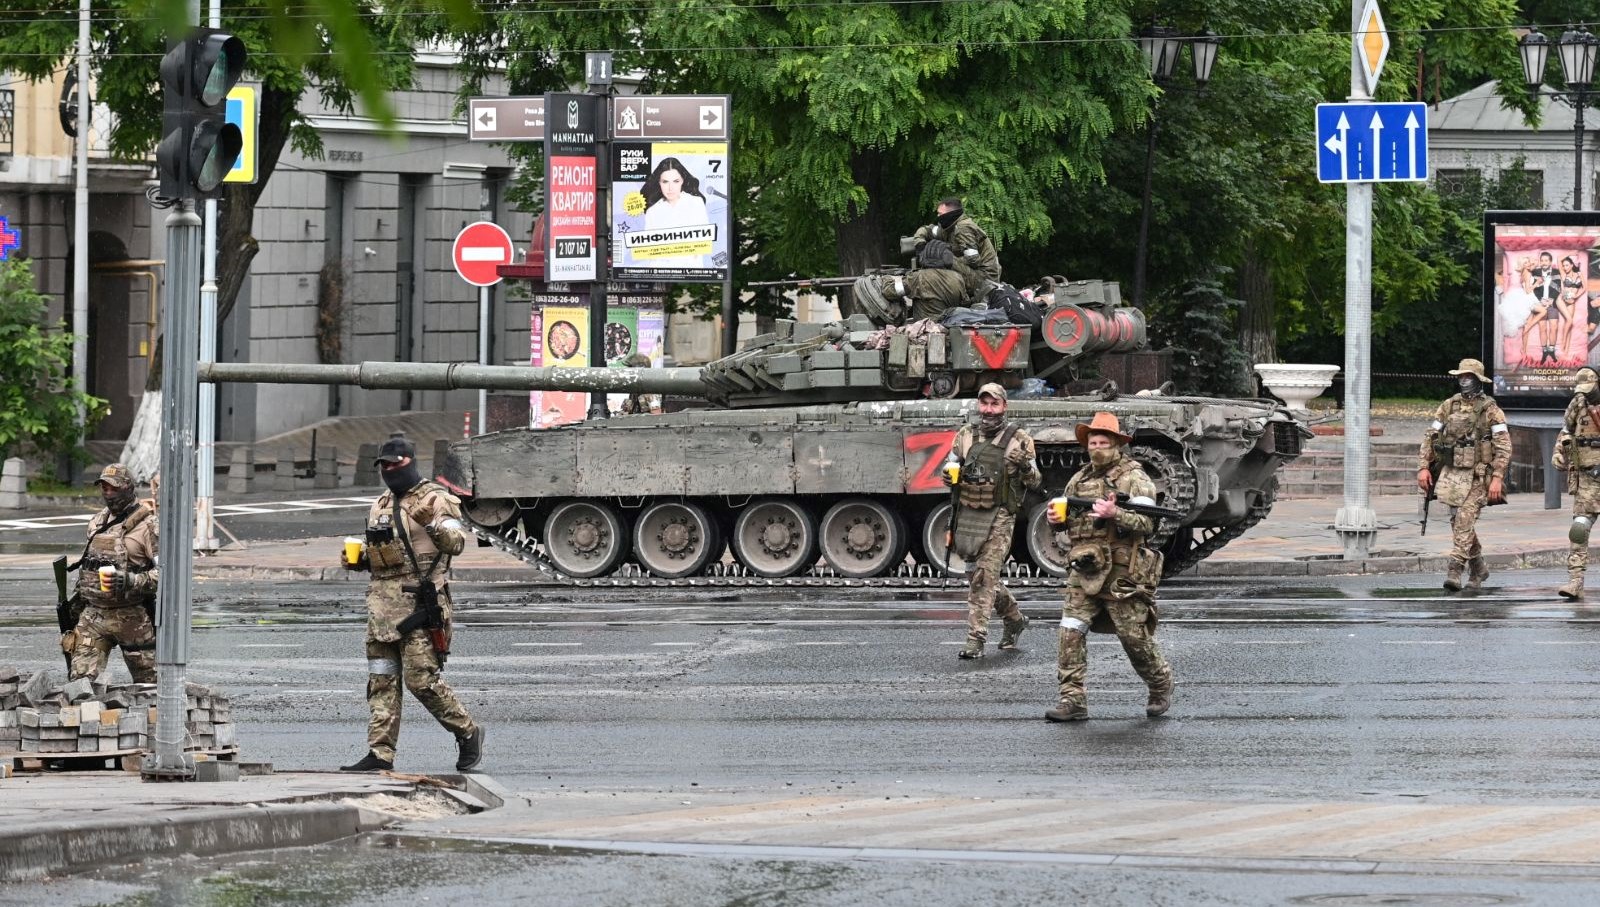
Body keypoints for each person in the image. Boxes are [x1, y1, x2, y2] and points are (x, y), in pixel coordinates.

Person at [340, 435, 485, 773]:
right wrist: (358, 559)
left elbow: (457, 543)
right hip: (381, 613)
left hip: (420, 606)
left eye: (395, 463)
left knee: (422, 681)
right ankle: (380, 754)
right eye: (384, 465)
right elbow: (381, 556)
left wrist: (431, 522)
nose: (389, 470)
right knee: (382, 682)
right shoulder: (380, 504)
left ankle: (467, 731)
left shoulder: (436, 499)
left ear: (409, 461)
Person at [1044, 413, 1173, 721]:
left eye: (1103, 442)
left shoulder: (1135, 477)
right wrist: (1058, 521)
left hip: (1121, 571)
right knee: (1070, 631)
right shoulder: (1080, 479)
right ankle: (1072, 699)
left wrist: (1117, 513)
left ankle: (1160, 682)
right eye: (1092, 442)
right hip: (1085, 567)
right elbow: (1073, 524)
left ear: (1117, 445)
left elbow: (1150, 524)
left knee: (1132, 637)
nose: (1097, 447)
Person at [942, 383, 1041, 659]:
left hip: (1000, 516)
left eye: (994, 404)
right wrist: (948, 474)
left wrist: (1023, 464)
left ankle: (976, 640)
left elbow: (1036, 481)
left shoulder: (1019, 439)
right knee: (977, 575)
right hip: (969, 514)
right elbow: (950, 465)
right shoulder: (965, 435)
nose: (988, 410)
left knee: (984, 577)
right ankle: (1015, 618)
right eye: (984, 403)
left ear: (1004, 406)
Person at [1417, 359, 1511, 592]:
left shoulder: (1491, 410)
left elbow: (1504, 446)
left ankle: (1455, 570)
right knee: (1457, 523)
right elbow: (1431, 436)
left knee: (1463, 521)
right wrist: (1423, 467)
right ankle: (1479, 568)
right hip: (1452, 475)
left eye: (1468, 376)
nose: (1463, 380)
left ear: (1478, 380)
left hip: (1479, 475)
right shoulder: (1448, 406)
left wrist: (1498, 477)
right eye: (1461, 376)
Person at [66, 464, 158, 683]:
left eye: (113, 488)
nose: (108, 493)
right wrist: (75, 606)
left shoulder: (149, 526)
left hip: (132, 616)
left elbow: (167, 576)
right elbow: (88, 567)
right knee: (80, 685)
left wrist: (130, 580)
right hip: (94, 615)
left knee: (150, 685)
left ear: (129, 487)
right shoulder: (97, 522)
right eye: (104, 488)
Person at [1553, 367, 1600, 599]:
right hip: (1588, 477)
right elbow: (1566, 430)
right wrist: (1559, 451)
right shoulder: (1578, 403)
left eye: (1589, 389)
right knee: (1579, 529)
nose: (1585, 394)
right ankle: (1575, 582)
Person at [912, 197, 1001, 298]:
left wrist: (947, 257)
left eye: (940, 214)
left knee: (940, 256)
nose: (938, 216)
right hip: (973, 274)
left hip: (984, 279)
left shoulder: (963, 228)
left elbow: (974, 261)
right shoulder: (949, 227)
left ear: (950, 214)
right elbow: (926, 230)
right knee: (940, 255)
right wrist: (920, 244)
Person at [642, 157, 711, 230]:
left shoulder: (696, 203)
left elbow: (705, 238)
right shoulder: (652, 212)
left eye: (676, 181)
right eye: (665, 182)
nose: (670, 188)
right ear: (659, 183)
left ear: (682, 181)